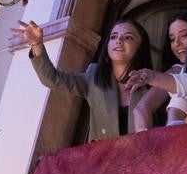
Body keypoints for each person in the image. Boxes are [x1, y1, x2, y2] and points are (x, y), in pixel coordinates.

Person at [12, 18, 153, 142]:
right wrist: (37, 44)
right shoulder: (93, 77)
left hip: (144, 164)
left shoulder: (152, 82)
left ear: (140, 46)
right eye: (113, 36)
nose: (119, 41)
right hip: (104, 164)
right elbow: (52, 79)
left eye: (128, 37)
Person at [132, 12, 187, 131]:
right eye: (172, 39)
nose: (177, 43)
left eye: (184, 35)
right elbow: (141, 109)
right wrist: (145, 147)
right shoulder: (177, 70)